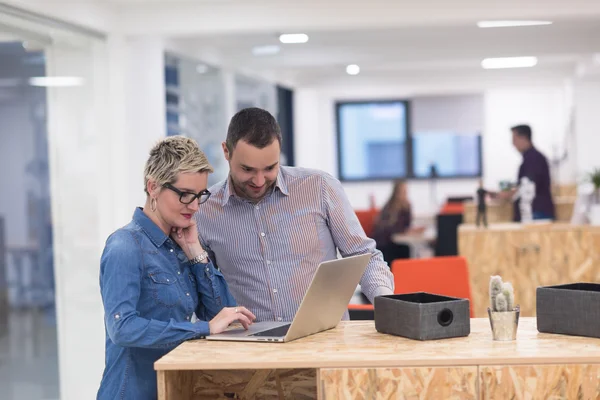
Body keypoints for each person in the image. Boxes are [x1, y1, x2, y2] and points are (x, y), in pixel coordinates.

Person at [195, 107, 394, 323]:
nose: (259, 181)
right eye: (248, 169)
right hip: (251, 344)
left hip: (324, 339)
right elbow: (206, 291)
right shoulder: (204, 210)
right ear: (226, 152)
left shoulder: (320, 187)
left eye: (270, 168)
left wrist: (387, 302)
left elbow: (364, 256)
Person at [97, 136, 256, 400]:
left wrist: (195, 251)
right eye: (185, 195)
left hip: (175, 388)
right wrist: (201, 329)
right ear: (153, 187)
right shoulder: (124, 246)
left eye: (199, 195)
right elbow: (122, 328)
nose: (194, 206)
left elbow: (220, 314)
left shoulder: (181, 244)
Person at [498, 125, 555, 221]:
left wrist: (507, 192)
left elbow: (526, 184)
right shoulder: (530, 158)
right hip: (534, 212)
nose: (513, 144)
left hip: (536, 213)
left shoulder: (534, 159)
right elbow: (522, 183)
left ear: (523, 138)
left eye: (514, 139)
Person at [372, 179, 424, 262]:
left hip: (394, 241)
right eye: (403, 191)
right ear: (396, 192)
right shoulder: (390, 207)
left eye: (406, 191)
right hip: (384, 243)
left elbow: (406, 226)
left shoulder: (406, 206)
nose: (405, 193)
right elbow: (391, 228)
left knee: (408, 249)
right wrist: (407, 231)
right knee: (405, 250)